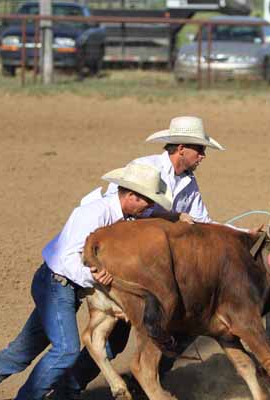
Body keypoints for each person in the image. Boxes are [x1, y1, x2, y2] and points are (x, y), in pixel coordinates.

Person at [53, 115, 229, 398]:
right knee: (132, 332)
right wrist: (169, 217)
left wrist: (240, 234)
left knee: (129, 334)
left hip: (154, 264)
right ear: (182, 148)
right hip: (131, 263)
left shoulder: (189, 182)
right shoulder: (145, 169)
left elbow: (202, 220)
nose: (203, 156)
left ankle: (138, 382)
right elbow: (121, 209)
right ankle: (71, 388)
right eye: (200, 149)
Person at [0, 162, 173, 400]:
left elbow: (157, 217)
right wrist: (92, 276)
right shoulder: (94, 213)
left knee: (20, 353)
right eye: (148, 201)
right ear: (131, 196)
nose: (150, 207)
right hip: (57, 284)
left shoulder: (127, 216)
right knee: (66, 351)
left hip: (65, 287)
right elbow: (66, 256)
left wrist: (178, 217)